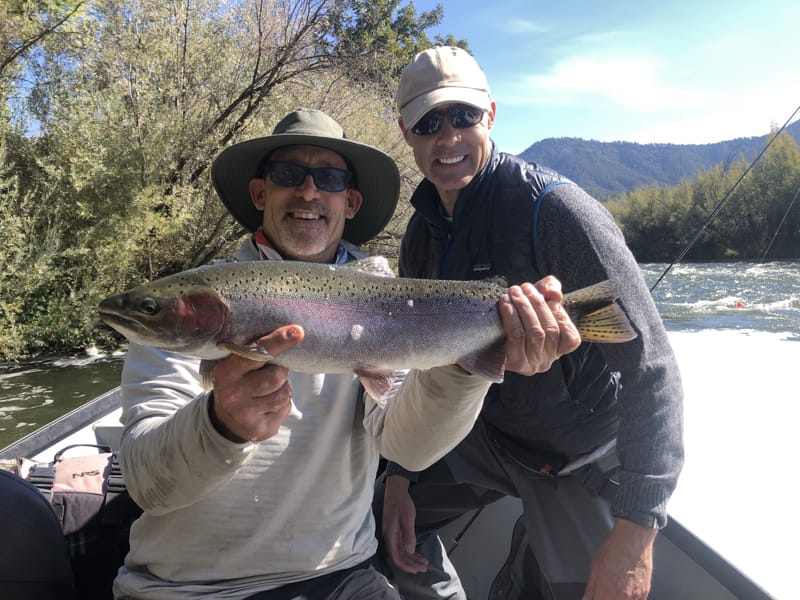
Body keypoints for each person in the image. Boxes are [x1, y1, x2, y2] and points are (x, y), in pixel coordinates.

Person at [112, 108, 580, 600]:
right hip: (187, 588)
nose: (309, 192)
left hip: (342, 576)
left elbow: (409, 449)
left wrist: (467, 364)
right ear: (259, 193)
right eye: (287, 175)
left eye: (329, 178)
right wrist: (218, 425)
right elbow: (146, 485)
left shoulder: (383, 298)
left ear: (351, 201)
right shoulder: (197, 301)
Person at [376, 47, 685, 600]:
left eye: (462, 116)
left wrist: (637, 531)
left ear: (490, 114)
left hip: (573, 458)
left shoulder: (558, 210)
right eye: (428, 123)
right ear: (406, 133)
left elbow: (653, 370)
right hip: (479, 437)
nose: (447, 137)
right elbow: (419, 372)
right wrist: (400, 473)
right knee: (378, 515)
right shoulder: (421, 235)